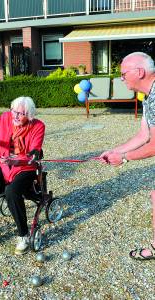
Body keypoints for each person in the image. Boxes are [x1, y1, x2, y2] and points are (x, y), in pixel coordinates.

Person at [100, 51, 155, 260]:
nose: (121, 79)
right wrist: (117, 151)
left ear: (139, 72)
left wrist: (125, 158)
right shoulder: (148, 96)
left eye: (123, 74)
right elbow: (144, 135)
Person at [0, 96, 45, 255]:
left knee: (11, 192)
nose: (16, 116)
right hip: (3, 164)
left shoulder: (38, 126)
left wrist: (34, 153)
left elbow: (36, 148)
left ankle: (23, 235)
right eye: (14, 111)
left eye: (21, 114)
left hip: (24, 167)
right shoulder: (5, 118)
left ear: (30, 115)